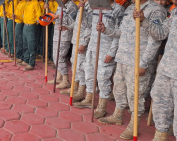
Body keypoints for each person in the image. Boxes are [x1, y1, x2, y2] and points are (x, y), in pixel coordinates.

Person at [96, 0, 167, 139]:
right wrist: (106, 30)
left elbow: (156, 40)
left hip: (138, 61)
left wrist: (144, 63)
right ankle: (118, 115)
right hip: (123, 58)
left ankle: (134, 125)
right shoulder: (130, 9)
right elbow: (121, 32)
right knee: (119, 89)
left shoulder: (155, 9)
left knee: (136, 95)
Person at [74, 0, 125, 119]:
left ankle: (102, 107)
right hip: (93, 47)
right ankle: (89, 98)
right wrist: (83, 11)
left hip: (105, 50)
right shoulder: (96, 7)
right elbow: (88, 25)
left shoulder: (118, 9)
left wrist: (111, 52)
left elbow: (120, 34)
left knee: (103, 79)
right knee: (89, 74)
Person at [135, 0, 177, 139]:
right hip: (166, 70)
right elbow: (161, 33)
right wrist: (144, 20)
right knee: (160, 106)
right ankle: (160, 137)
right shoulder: (175, 12)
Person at [55, 0, 93, 102]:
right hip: (76, 39)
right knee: (75, 64)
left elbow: (90, 27)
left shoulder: (91, 6)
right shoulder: (82, 5)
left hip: (82, 41)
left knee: (81, 66)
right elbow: (77, 23)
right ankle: (74, 88)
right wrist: (67, 27)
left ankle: (81, 92)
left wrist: (84, 43)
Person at [48, 0, 78, 89]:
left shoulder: (72, 6)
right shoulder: (60, 4)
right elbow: (56, 16)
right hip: (57, 34)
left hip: (65, 35)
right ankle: (59, 76)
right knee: (55, 56)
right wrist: (51, 13)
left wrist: (60, 16)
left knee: (60, 57)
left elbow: (74, 21)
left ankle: (66, 80)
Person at [19, 0, 42, 70]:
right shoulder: (26, 3)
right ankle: (26, 60)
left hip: (31, 26)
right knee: (25, 44)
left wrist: (36, 22)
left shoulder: (35, 3)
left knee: (31, 45)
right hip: (25, 25)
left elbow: (39, 16)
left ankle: (31, 63)